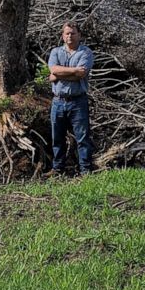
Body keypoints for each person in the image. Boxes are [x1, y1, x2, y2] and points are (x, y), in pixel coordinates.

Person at [47, 21, 94, 175]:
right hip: (58, 101)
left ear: (79, 35)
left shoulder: (85, 53)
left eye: (73, 33)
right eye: (67, 33)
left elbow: (81, 74)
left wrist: (58, 75)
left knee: (82, 138)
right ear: (62, 36)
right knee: (57, 138)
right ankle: (57, 168)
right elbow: (53, 69)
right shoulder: (55, 52)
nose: (70, 36)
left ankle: (85, 171)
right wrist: (73, 71)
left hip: (77, 101)